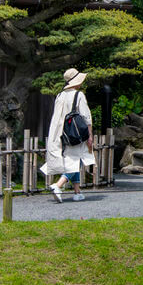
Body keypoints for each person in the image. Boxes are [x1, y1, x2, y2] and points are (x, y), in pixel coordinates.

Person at [42, 68, 94, 202]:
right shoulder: (79, 95)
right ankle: (58, 185)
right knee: (77, 161)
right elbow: (86, 117)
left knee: (72, 160)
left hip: (63, 133)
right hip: (76, 133)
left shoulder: (60, 95)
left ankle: (77, 192)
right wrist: (90, 135)